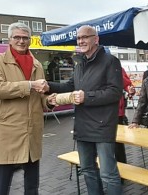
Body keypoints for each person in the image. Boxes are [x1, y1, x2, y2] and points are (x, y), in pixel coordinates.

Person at [47, 25, 123, 195]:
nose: (81, 41)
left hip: (103, 125)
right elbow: (69, 86)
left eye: (85, 37)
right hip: (82, 125)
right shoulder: (79, 63)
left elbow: (115, 92)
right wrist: (48, 86)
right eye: (78, 38)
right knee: (88, 170)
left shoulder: (110, 61)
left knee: (108, 174)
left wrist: (86, 97)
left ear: (96, 39)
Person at [0, 22, 50, 195]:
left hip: (32, 130)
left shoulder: (37, 64)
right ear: (9, 40)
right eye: (17, 37)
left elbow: (41, 94)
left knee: (32, 184)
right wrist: (28, 85)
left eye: (25, 38)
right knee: (1, 185)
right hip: (8, 131)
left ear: (30, 40)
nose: (21, 41)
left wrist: (49, 101)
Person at [115, 67, 135, 165]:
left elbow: (127, 84)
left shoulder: (115, 67)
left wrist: (130, 90)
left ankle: (121, 169)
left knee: (118, 143)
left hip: (116, 112)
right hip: (98, 113)